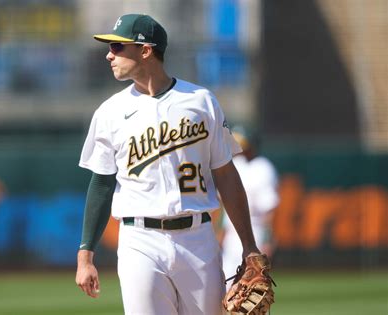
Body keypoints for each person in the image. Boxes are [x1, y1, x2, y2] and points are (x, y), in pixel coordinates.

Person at [75, 13, 262, 315]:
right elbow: (102, 183)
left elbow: (226, 174)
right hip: (140, 239)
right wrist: (85, 256)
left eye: (118, 47)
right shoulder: (109, 112)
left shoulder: (201, 101)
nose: (110, 54)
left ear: (145, 50)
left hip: (197, 237)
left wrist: (249, 246)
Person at [220, 126, 280, 287]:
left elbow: (269, 209)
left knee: (250, 288)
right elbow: (225, 207)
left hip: (256, 233)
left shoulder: (263, 168)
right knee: (225, 290)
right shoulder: (235, 164)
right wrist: (222, 234)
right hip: (231, 235)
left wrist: (268, 240)